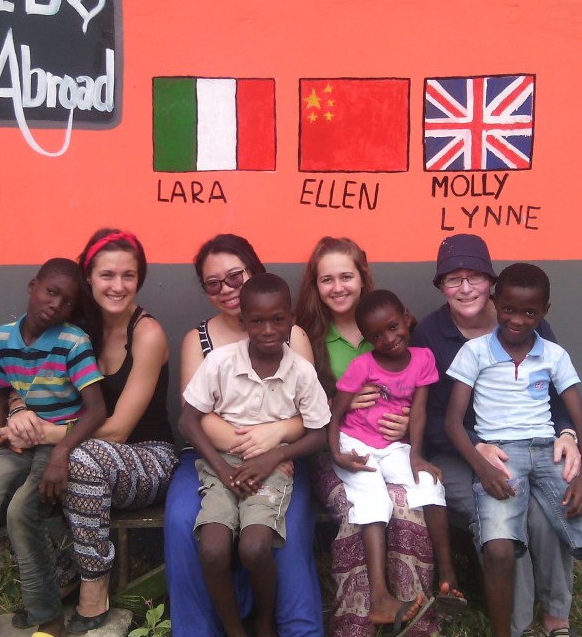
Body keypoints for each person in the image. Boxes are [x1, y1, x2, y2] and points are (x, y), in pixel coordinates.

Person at [445, 263, 582, 637]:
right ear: (494, 302)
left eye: (529, 312)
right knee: (498, 551)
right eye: (508, 309)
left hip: (550, 453)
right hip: (501, 456)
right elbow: (452, 422)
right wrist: (482, 468)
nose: (517, 320)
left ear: (545, 311)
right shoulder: (475, 352)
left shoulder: (553, 355)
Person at [4, 230, 176, 634]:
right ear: (88, 278)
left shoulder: (147, 333)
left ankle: (94, 587)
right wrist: (18, 410)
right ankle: (56, 577)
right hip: (80, 447)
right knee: (8, 468)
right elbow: (18, 371)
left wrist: (44, 435)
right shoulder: (68, 326)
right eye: (107, 275)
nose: (118, 286)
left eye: (128, 276)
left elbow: (117, 431)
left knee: (79, 459)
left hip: (147, 459)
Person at [412, 234, 581, 637]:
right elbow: (431, 416)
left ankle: (556, 615)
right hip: (456, 452)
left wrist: (568, 433)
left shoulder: (525, 319)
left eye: (475, 277)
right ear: (440, 287)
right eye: (452, 280)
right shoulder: (430, 334)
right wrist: (476, 444)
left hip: (526, 445)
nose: (465, 288)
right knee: (496, 509)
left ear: (492, 282)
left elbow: (557, 391)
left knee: (544, 510)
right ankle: (517, 622)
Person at [165, 233, 323, 637]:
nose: (227, 289)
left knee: (285, 532)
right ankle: (200, 630)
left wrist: (274, 438)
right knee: (184, 522)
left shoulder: (293, 337)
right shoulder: (201, 343)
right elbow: (194, 416)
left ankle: (295, 628)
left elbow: (308, 419)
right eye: (213, 283)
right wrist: (238, 452)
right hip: (211, 457)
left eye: (235, 276)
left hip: (281, 458)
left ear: (254, 271)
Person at [0, 258, 106, 637]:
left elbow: (97, 409)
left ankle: (49, 619)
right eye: (51, 292)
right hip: (19, 443)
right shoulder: (3, 339)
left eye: (67, 302)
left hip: (56, 443)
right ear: (33, 286)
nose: (56, 304)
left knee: (21, 510)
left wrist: (63, 452)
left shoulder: (73, 342)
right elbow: (0, 391)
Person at [297, 236, 436, 637]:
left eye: (346, 276)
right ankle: (356, 624)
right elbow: (297, 405)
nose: (337, 287)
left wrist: (405, 422)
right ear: (315, 285)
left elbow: (415, 390)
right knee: (357, 511)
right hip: (336, 451)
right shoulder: (307, 336)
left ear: (362, 277)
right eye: (327, 279)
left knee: (407, 507)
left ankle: (415, 624)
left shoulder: (390, 324)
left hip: (392, 448)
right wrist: (340, 402)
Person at [329, 290, 466, 635]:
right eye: (376, 335)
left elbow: (418, 412)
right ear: (367, 338)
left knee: (429, 483)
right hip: (356, 442)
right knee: (375, 498)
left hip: (392, 446)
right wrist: (336, 453)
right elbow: (336, 414)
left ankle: (448, 575)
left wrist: (416, 455)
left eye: (393, 327)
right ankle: (379, 597)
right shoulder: (362, 365)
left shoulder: (423, 358)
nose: (388, 339)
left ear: (406, 318)